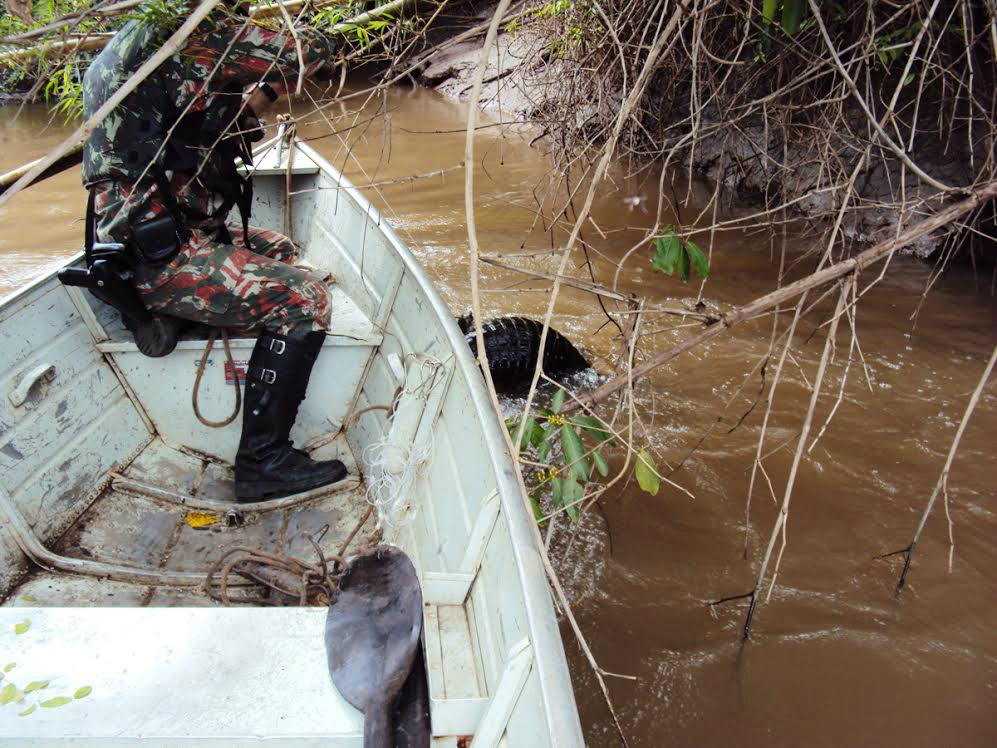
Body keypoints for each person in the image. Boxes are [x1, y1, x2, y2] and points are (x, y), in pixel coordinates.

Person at [81, 0, 346, 502]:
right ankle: (263, 461)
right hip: (162, 260)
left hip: (156, 241)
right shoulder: (194, 29)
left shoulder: (147, 38)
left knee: (280, 248)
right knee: (305, 299)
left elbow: (208, 126)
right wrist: (304, 43)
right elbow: (309, 49)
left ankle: (185, 316)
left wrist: (264, 94)